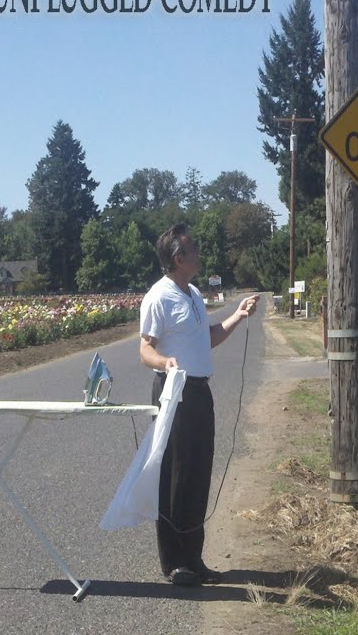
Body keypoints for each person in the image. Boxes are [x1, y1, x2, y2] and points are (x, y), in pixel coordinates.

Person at [138, 222, 260, 587]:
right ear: (179, 258)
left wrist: (238, 315)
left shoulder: (191, 293)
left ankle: (194, 558)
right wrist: (165, 362)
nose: (200, 255)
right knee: (175, 475)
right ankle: (175, 563)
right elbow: (145, 349)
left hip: (199, 392)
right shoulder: (158, 296)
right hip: (174, 391)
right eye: (194, 250)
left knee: (197, 475)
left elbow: (208, 338)